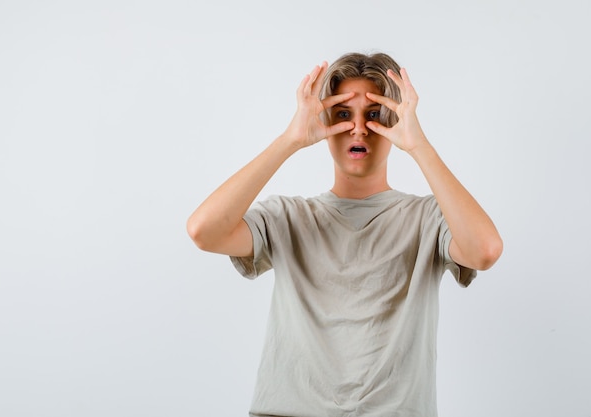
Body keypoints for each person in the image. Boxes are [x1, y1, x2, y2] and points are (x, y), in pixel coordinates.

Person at [187, 52, 503, 417]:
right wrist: (290, 139)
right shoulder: (288, 217)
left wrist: (420, 147)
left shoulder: (428, 218)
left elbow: (485, 251)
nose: (358, 129)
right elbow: (203, 231)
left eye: (373, 115)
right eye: (342, 115)